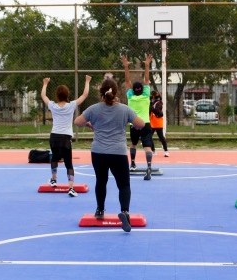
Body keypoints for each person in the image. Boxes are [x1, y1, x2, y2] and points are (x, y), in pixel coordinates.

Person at [74, 78, 145, 232]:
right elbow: (141, 124)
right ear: (116, 92)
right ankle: (125, 212)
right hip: (118, 152)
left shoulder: (94, 109)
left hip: (98, 152)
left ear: (101, 93)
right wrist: (126, 121)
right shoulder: (124, 109)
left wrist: (89, 123)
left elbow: (77, 121)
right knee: (124, 184)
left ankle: (100, 210)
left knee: (101, 181)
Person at [41, 75, 90, 196]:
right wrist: (87, 81)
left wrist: (45, 84)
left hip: (54, 137)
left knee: (54, 158)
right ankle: (71, 188)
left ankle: (53, 179)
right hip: (65, 138)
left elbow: (43, 96)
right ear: (67, 95)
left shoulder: (52, 105)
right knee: (69, 163)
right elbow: (84, 95)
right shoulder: (71, 105)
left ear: (57, 96)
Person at [122, 54, 155, 180]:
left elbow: (127, 81)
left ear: (133, 90)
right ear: (142, 89)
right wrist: (147, 65)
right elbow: (147, 79)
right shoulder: (146, 95)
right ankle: (149, 166)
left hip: (134, 124)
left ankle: (133, 163)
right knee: (147, 147)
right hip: (145, 123)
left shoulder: (130, 96)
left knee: (133, 144)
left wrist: (126, 67)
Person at [149, 89, 169, 157]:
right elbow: (150, 111)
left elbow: (158, 112)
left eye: (152, 95)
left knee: (161, 138)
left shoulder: (159, 103)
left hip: (157, 123)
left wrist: (152, 108)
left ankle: (166, 151)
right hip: (152, 122)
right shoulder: (152, 103)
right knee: (149, 137)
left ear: (154, 96)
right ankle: (153, 151)